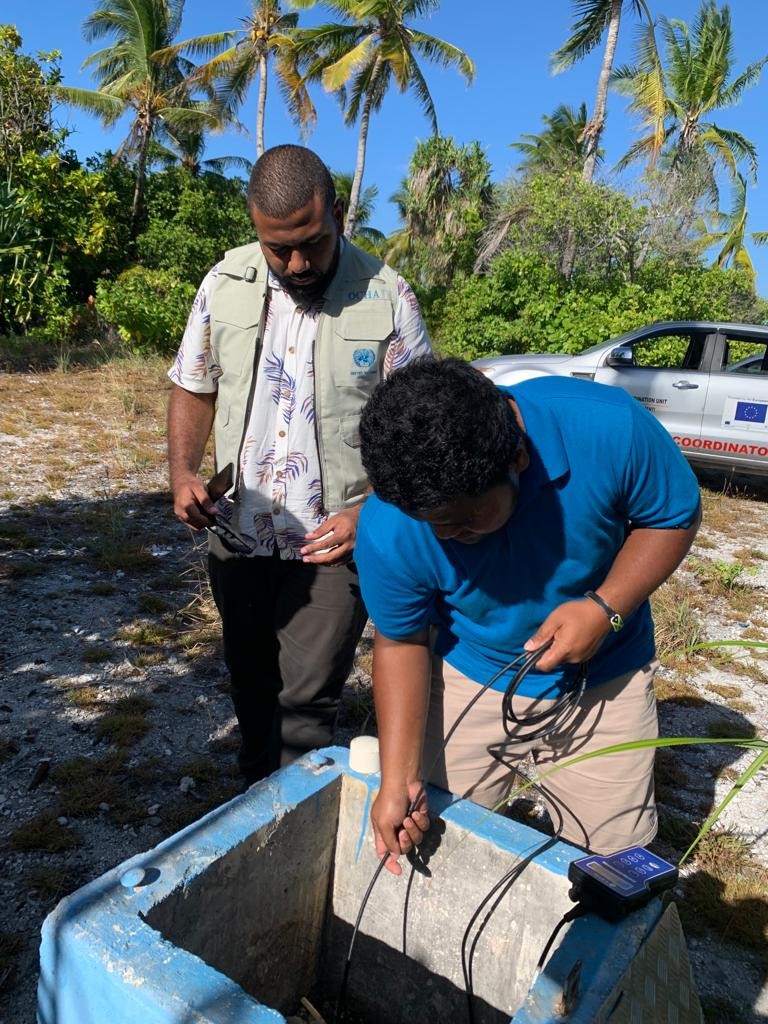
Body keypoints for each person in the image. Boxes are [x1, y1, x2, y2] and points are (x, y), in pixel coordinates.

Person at [354, 357, 701, 874]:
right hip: (470, 674)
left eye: (463, 522)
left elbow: (672, 516)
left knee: (614, 865)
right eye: (433, 524)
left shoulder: (608, 428)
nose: (446, 537)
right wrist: (396, 779)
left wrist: (605, 609)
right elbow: (402, 641)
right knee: (441, 843)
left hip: (605, 678)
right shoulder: (391, 527)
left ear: (516, 457)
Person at [167, 144, 431, 785]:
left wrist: (372, 513)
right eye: (276, 248)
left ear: (339, 214)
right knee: (250, 683)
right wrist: (182, 474)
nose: (295, 263)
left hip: (331, 544)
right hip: (236, 531)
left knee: (306, 704)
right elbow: (193, 384)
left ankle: (290, 822)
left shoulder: (388, 297)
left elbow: (425, 428)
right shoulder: (223, 283)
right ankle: (256, 802)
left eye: (310, 243)